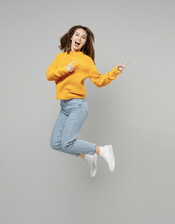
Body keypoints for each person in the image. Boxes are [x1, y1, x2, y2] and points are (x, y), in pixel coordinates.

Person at [46, 25, 128, 177]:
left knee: (67, 143)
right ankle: (87, 156)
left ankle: (102, 150)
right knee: (55, 144)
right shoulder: (61, 58)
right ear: (71, 36)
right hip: (64, 107)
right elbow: (49, 75)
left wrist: (115, 72)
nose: (79, 39)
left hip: (78, 106)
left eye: (83, 38)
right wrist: (65, 69)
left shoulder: (87, 61)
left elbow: (99, 81)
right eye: (77, 35)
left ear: (85, 42)